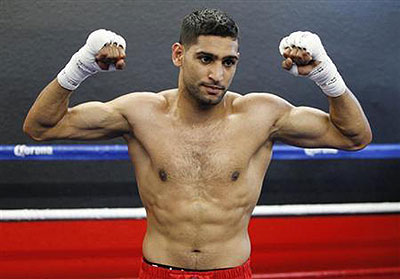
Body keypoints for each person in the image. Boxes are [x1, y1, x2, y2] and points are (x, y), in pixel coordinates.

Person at [23, 8, 372, 279]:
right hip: (159, 270)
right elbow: (41, 127)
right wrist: (80, 66)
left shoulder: (261, 115)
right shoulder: (141, 113)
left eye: (228, 62)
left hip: (232, 271)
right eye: (205, 58)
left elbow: (354, 136)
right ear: (179, 55)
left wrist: (325, 74)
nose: (217, 75)